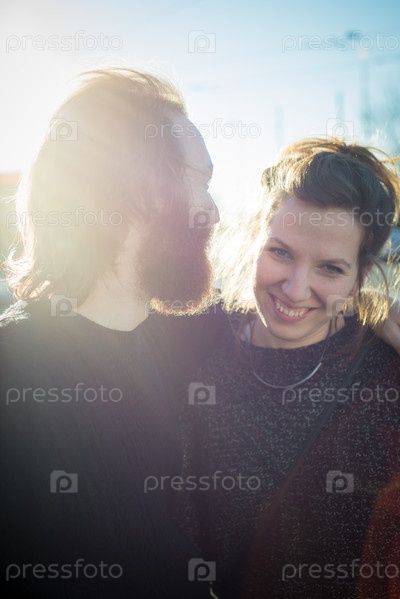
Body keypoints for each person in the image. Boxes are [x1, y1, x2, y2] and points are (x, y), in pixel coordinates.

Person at [0, 67, 223, 599]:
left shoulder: (166, 337)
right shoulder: (14, 371)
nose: (214, 212)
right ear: (137, 192)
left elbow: (289, 309)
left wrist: (372, 310)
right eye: (201, 182)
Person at [177, 138, 400, 599]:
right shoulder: (191, 346)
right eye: (280, 253)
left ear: (360, 277)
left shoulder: (386, 374)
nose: (296, 290)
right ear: (253, 239)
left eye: (330, 269)